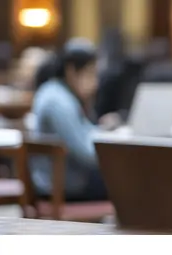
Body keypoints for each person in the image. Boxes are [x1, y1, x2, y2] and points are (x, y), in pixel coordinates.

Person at [30, 38, 107, 201]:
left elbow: (85, 131)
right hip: (62, 186)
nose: (96, 83)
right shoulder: (58, 102)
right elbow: (86, 155)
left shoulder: (59, 93)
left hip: (65, 180)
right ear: (71, 71)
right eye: (91, 73)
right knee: (129, 182)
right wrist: (118, 152)